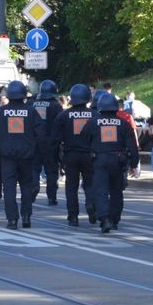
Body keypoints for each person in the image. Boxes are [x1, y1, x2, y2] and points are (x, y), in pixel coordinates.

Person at [0, 80, 45, 229]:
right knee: (26, 186)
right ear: (24, 95)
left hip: (7, 157)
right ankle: (26, 216)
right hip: (27, 156)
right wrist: (42, 154)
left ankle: (12, 219)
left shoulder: (0, 112)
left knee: (9, 188)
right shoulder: (31, 111)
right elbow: (41, 135)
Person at [79, 91, 139, 232]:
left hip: (99, 160)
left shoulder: (93, 123)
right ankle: (114, 219)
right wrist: (134, 164)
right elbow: (132, 146)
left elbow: (83, 142)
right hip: (118, 161)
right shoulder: (123, 124)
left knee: (101, 190)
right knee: (116, 191)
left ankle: (104, 218)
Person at [56, 84, 96, 227]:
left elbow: (56, 138)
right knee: (90, 183)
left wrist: (58, 158)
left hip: (70, 154)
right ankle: (91, 204)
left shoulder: (63, 115)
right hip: (89, 155)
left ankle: (73, 216)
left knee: (71, 187)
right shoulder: (95, 115)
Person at [29, 80, 63, 206]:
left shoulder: (32, 104)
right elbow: (60, 124)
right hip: (50, 142)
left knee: (34, 168)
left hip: (34, 141)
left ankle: (34, 187)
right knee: (51, 171)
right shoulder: (56, 106)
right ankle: (52, 197)